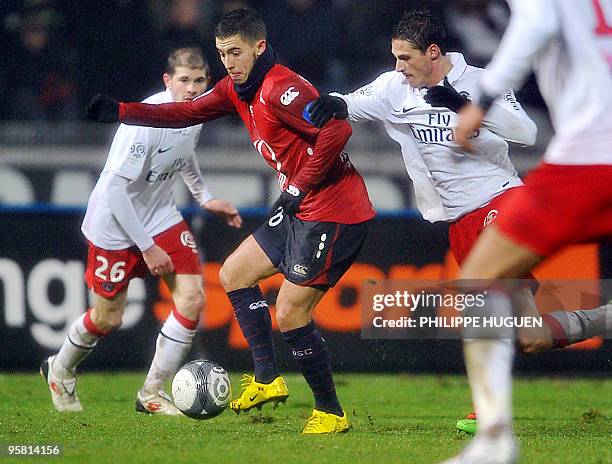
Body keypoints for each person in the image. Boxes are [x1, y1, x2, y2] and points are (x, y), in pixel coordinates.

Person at [307, 9, 611, 437]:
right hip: (458, 218)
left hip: (500, 199)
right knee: (531, 336)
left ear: (433, 53)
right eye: (394, 58)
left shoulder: (482, 80)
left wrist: (467, 106)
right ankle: (604, 320)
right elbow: (352, 103)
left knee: (479, 294)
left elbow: (525, 131)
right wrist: (330, 104)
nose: (398, 67)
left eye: (405, 58)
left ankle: (487, 417)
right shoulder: (396, 88)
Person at [86, 8, 375, 434]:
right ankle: (266, 379)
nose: (228, 62)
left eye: (236, 52)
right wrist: (124, 111)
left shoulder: (282, 88)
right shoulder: (237, 88)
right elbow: (186, 112)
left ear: (259, 47)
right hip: (301, 206)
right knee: (235, 273)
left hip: (335, 210)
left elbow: (337, 131)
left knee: (290, 313)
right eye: (222, 54)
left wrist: (298, 187)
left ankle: (330, 412)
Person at [443, 0, 612, 462]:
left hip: (588, 159)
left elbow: (533, 24)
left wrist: (482, 99)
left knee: (478, 280)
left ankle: (494, 439)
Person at [40, 47, 242, 415]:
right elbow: (116, 190)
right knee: (107, 318)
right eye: (184, 80)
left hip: (160, 215)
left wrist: (205, 197)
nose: (192, 89)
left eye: (199, 81)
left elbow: (184, 157)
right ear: (168, 81)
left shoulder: (194, 115)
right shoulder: (145, 122)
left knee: (193, 300)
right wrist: (148, 248)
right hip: (115, 225)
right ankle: (60, 369)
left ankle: (152, 391)